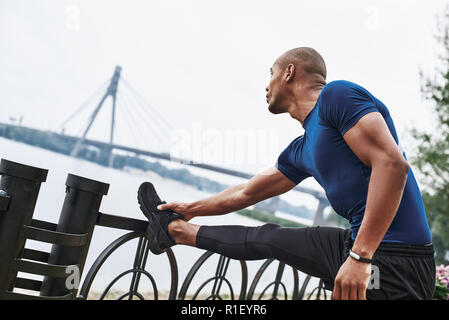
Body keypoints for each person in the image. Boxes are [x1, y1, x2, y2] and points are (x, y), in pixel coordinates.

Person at [137, 47, 435, 300]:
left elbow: (393, 165)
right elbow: (246, 193)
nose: (266, 86)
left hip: (398, 260)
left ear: (289, 73)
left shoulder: (337, 96)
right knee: (267, 237)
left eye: (271, 73)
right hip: (360, 246)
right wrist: (189, 209)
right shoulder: (302, 149)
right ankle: (174, 230)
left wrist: (360, 258)